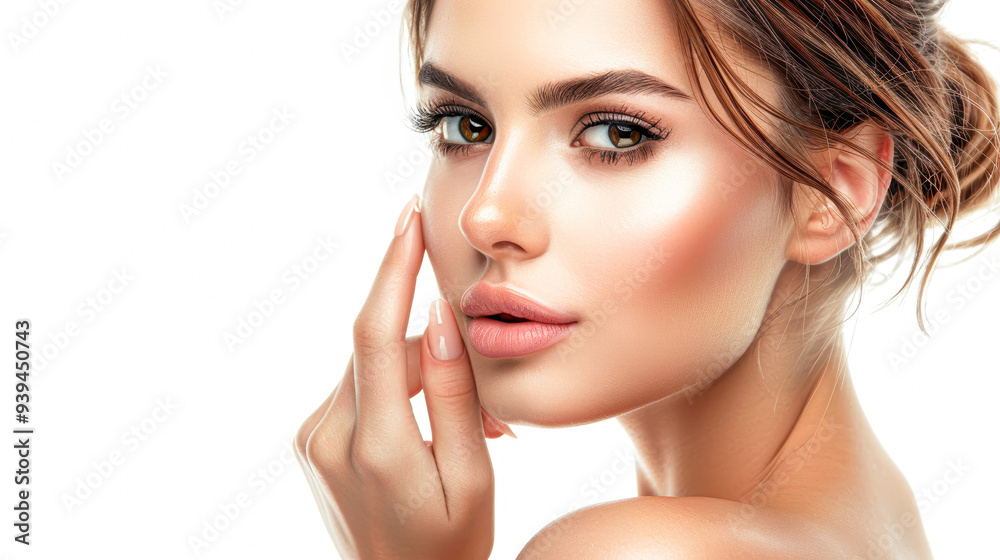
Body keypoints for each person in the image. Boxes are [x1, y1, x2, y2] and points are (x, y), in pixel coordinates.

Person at [295, 0, 1000, 557]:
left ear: (835, 190)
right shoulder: (872, 519)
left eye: (615, 134)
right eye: (465, 125)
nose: (485, 214)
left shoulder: (637, 552)